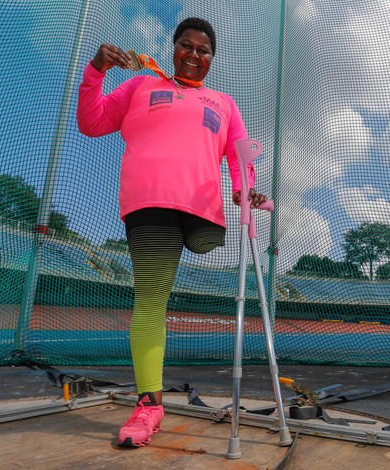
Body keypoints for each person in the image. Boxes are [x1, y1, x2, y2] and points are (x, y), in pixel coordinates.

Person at [76, 17, 267, 448]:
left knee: (203, 244)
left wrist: (243, 191)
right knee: (151, 300)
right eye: (187, 46)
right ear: (173, 47)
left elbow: (240, 157)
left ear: (211, 59)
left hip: (202, 212)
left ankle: (196, 235)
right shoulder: (140, 85)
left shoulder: (224, 103)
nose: (194, 55)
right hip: (149, 205)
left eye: (204, 50)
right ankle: (149, 406)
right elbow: (91, 122)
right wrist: (95, 70)